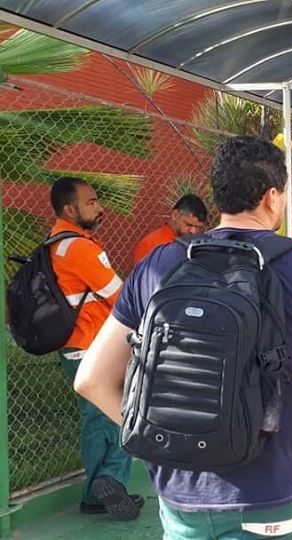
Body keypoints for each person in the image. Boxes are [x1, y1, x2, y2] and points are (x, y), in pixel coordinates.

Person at [75, 136, 292, 538]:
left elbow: (90, 379)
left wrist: (160, 439)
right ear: (271, 197)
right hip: (272, 488)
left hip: (181, 492)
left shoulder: (162, 261)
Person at [47, 177, 140, 520]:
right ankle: (109, 479)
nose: (100, 207)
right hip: (93, 347)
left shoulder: (55, 244)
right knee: (121, 414)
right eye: (91, 202)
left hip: (75, 347)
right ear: (70, 209)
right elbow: (120, 297)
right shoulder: (79, 248)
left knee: (97, 421)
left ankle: (96, 493)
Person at [132, 194, 208, 265]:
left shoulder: (198, 246)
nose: (193, 231)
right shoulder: (150, 244)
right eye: (189, 225)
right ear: (175, 215)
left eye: (198, 227)